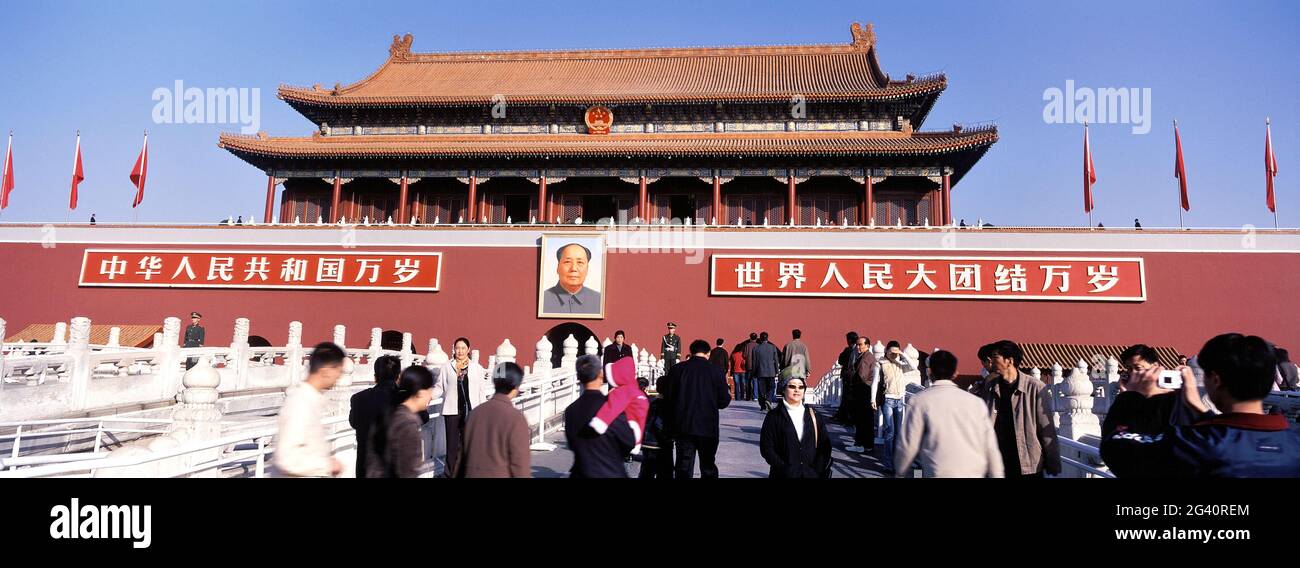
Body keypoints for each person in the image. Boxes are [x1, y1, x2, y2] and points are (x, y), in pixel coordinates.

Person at [1101, 333, 1300, 477]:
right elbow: (1238, 436)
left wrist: (1131, 395)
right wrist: (1199, 407)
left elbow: (1116, 447)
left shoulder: (1194, 443)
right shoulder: (1294, 442)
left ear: (1215, 380)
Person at [893, 350, 1003, 478]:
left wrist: (900, 473)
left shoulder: (919, 402)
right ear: (955, 373)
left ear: (929, 373)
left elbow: (908, 445)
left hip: (938, 471)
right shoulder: (976, 403)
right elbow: (990, 447)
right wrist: (997, 474)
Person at [982, 340, 1061, 478]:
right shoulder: (990, 387)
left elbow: (1046, 428)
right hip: (997, 463)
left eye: (995, 357)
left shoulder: (1035, 387)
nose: (991, 362)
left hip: (1027, 462)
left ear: (1009, 360)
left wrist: (1053, 461)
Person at [658, 339, 731, 478]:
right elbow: (723, 402)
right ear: (708, 353)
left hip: (684, 426)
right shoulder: (716, 371)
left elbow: (668, 399)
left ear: (691, 352)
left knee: (683, 467)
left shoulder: (677, 369)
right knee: (708, 466)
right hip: (708, 427)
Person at [274, 342, 345, 477]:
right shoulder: (300, 402)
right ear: (326, 370)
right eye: (339, 371)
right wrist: (326, 465)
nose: (339, 377)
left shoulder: (311, 399)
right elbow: (287, 458)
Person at [565, 354, 637, 478]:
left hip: (581, 473)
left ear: (578, 377)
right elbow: (629, 442)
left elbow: (572, 444)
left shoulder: (570, 411)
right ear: (601, 374)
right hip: (611, 472)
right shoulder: (611, 406)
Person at [458, 362, 531, 478]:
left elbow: (461, 458)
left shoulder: (474, 414)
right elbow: (520, 465)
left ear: (494, 382)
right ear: (516, 387)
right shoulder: (516, 418)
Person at [368, 365, 435, 478]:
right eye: (429, 391)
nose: (431, 396)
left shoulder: (391, 413)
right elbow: (407, 472)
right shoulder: (408, 424)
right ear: (421, 393)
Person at [434, 337, 487, 478]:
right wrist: (427, 396)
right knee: (451, 447)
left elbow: (482, 391)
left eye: (463, 348)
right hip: (452, 411)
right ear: (454, 349)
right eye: (457, 348)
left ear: (468, 350)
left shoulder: (476, 368)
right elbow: (440, 387)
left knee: (469, 445)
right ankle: (450, 474)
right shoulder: (447, 367)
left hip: (471, 411)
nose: (460, 351)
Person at [759, 376, 832, 478]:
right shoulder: (774, 416)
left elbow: (825, 446)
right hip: (783, 475)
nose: (797, 390)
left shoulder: (814, 416)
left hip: (811, 475)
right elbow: (766, 447)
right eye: (792, 386)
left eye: (801, 387)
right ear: (784, 390)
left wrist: (816, 469)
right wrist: (784, 467)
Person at [349, 354, 402, 476]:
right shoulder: (403, 398)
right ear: (397, 376)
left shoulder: (358, 398)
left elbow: (354, 423)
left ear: (375, 376)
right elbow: (423, 418)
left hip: (365, 466)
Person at [872, 340, 918, 470]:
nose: (894, 355)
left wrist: (902, 354)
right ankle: (888, 464)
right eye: (892, 352)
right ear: (886, 351)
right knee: (890, 432)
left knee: (898, 432)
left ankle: (897, 462)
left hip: (899, 400)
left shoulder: (900, 364)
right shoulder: (880, 364)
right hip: (888, 400)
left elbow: (913, 367)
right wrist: (872, 400)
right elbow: (875, 382)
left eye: (896, 352)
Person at [588, 356, 649, 451]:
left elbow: (612, 408)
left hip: (627, 426)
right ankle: (636, 444)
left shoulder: (623, 391)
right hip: (637, 422)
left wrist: (600, 422)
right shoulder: (637, 391)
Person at [542, 242, 602, 314]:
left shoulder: (600, 300)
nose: (573, 268)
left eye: (580, 262)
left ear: (587, 269)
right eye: (567, 262)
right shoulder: (542, 300)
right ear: (558, 267)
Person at [845, 337, 875, 453]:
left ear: (867, 345)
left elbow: (861, 375)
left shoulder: (865, 358)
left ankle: (860, 444)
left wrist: (851, 377)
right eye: (857, 344)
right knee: (867, 420)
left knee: (861, 419)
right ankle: (867, 445)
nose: (858, 347)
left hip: (862, 391)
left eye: (860, 344)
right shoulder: (868, 356)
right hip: (866, 391)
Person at [638, 377, 671, 479]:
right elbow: (658, 423)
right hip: (659, 442)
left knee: (647, 470)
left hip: (647, 441)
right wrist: (668, 438)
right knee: (665, 470)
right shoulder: (667, 404)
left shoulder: (650, 401)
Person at [832, 331, 861, 423]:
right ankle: (845, 416)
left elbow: (840, 360)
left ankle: (847, 418)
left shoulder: (849, 350)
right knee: (848, 397)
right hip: (853, 377)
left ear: (849, 340)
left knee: (848, 397)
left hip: (850, 377)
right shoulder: (857, 350)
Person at [749, 332, 781, 411]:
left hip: (760, 372)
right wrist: (777, 371)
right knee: (772, 387)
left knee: (761, 390)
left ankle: (763, 406)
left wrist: (753, 373)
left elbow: (754, 362)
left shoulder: (755, 349)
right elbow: (776, 360)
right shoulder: (773, 347)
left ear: (760, 338)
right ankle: (768, 400)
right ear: (767, 338)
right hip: (771, 372)